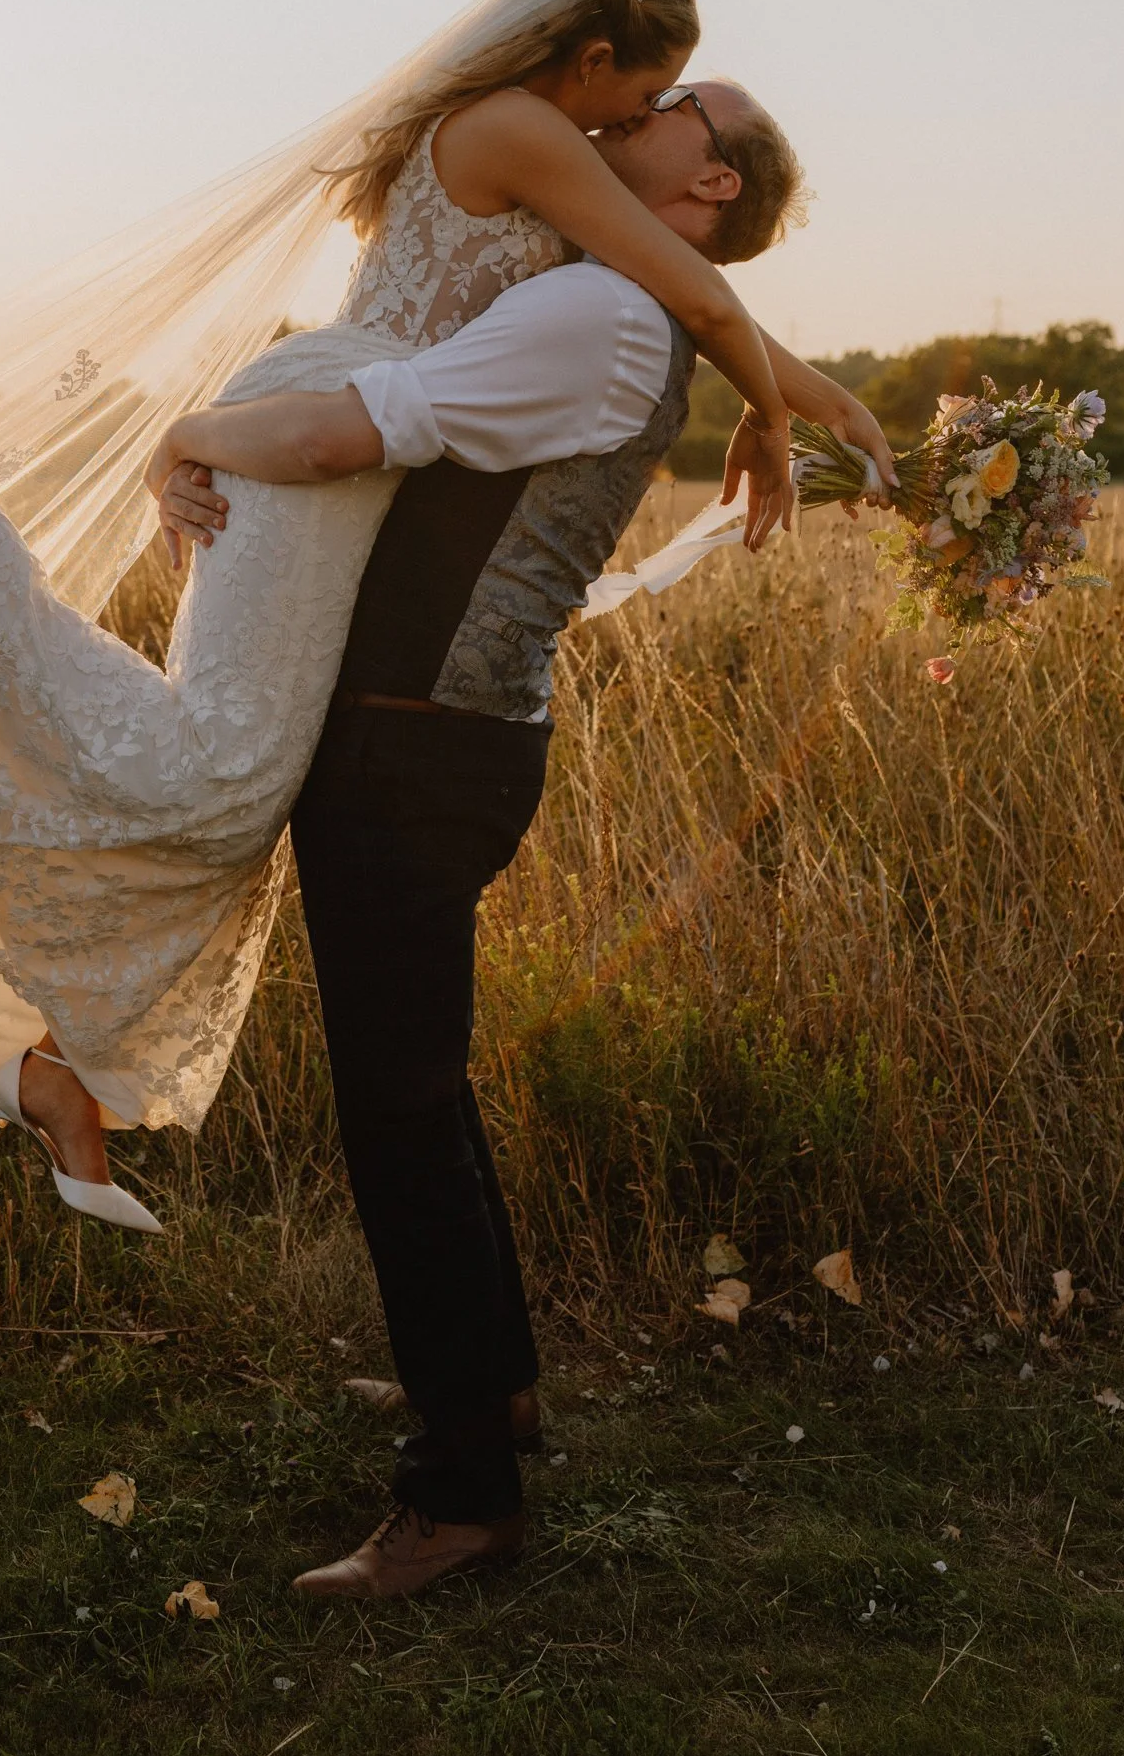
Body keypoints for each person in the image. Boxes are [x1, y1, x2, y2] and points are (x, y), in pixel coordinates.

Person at [0, 0, 883, 1229]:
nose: (638, 117)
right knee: (223, 770)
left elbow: (690, 284)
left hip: (335, 435)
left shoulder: (553, 156)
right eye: (655, 91)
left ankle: (60, 1063)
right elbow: (693, 287)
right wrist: (780, 425)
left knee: (233, 778)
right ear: (596, 58)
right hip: (320, 434)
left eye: (671, 107)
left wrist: (820, 404)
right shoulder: (520, 127)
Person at [147, 85, 884, 1596]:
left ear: (711, 177)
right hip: (438, 739)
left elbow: (356, 430)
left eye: (688, 108)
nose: (652, 104)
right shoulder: (614, 301)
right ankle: (491, 1380)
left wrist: (189, 429)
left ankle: (462, 1490)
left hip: (421, 753)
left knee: (396, 1114)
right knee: (425, 1096)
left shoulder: (602, 319)